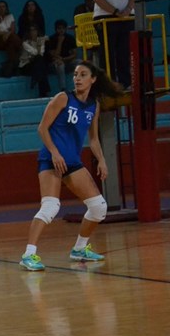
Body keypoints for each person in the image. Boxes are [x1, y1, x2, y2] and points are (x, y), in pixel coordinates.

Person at [19, 60, 122, 271]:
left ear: (93, 79)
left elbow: (93, 139)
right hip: (51, 159)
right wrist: (55, 152)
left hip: (72, 161)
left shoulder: (94, 105)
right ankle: (28, 255)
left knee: (98, 207)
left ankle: (79, 249)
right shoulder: (63, 98)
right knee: (50, 207)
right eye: (75, 74)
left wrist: (102, 159)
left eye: (83, 75)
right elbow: (42, 128)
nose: (77, 78)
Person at [90, 0, 135, 87]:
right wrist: (115, 12)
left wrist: (128, 9)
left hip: (126, 17)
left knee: (124, 52)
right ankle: (109, 85)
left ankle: (125, 84)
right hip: (105, 19)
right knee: (107, 53)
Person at [45, 19, 81, 91]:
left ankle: (81, 86)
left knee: (80, 63)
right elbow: (55, 55)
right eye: (59, 28)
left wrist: (64, 59)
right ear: (56, 29)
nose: (61, 30)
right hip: (54, 64)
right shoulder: (51, 39)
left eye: (63, 28)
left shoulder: (70, 38)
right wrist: (60, 42)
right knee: (60, 65)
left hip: (67, 61)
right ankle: (63, 88)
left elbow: (74, 54)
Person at [0, 0, 22, 78]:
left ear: (6, 8)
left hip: (9, 40)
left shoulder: (10, 16)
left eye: (3, 6)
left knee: (11, 45)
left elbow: (13, 29)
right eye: (0, 7)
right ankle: (22, 47)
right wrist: (7, 33)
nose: (2, 8)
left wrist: (7, 33)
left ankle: (13, 66)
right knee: (13, 37)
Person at [19, 25, 51, 97]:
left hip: (36, 65)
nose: (33, 32)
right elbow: (35, 53)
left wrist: (40, 43)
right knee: (40, 64)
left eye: (34, 30)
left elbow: (41, 53)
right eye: (31, 30)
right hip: (26, 65)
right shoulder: (25, 43)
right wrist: (39, 45)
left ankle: (35, 80)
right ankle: (44, 91)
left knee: (40, 65)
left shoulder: (40, 40)